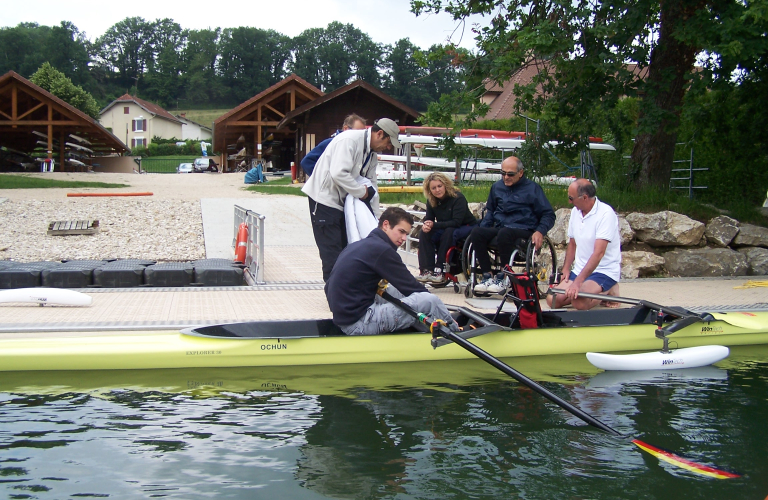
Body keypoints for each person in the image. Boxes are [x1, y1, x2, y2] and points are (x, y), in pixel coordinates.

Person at [325, 207, 460, 336]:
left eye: (406, 234)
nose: (404, 238)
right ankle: (455, 331)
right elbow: (412, 287)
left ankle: (424, 325)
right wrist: (439, 311)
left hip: (344, 320)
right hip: (359, 324)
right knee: (429, 301)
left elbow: (328, 286)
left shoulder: (359, 245)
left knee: (394, 290)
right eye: (401, 231)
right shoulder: (382, 250)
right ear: (385, 225)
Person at [302, 118, 401, 282]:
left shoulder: (371, 154)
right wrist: (360, 192)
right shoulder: (349, 140)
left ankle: (345, 292)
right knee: (331, 252)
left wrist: (376, 217)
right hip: (324, 200)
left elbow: (372, 186)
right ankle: (335, 297)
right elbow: (338, 173)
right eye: (389, 143)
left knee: (346, 250)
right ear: (380, 134)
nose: (388, 147)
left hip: (342, 203)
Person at [468, 156, 555, 293]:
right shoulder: (497, 187)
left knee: (505, 233)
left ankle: (504, 276)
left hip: (524, 229)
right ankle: (487, 276)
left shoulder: (533, 189)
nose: (506, 177)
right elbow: (490, 211)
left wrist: (540, 231)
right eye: (503, 173)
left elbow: (548, 214)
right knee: (477, 232)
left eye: (510, 174)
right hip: (502, 227)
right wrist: (483, 227)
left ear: (520, 173)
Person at [546, 178, 621, 310]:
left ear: (585, 197)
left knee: (579, 303)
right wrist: (566, 269)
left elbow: (599, 253)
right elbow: (572, 244)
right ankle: (587, 290)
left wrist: (578, 283)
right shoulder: (576, 212)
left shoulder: (606, 214)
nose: (569, 201)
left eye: (571, 198)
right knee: (552, 300)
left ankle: (608, 289)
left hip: (603, 270)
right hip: (580, 269)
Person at [416, 172, 476, 284]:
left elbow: (456, 222)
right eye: (433, 188)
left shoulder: (458, 198)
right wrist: (426, 225)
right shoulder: (431, 200)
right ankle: (426, 270)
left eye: (439, 186)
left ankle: (440, 269)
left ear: (445, 185)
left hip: (466, 226)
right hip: (446, 226)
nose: (437, 190)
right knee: (424, 233)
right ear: (429, 190)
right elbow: (429, 218)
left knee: (449, 232)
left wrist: (434, 225)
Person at [300, 114, 367, 176]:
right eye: (357, 132)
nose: (360, 136)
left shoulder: (357, 147)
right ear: (346, 129)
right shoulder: (330, 143)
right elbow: (306, 162)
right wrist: (325, 180)